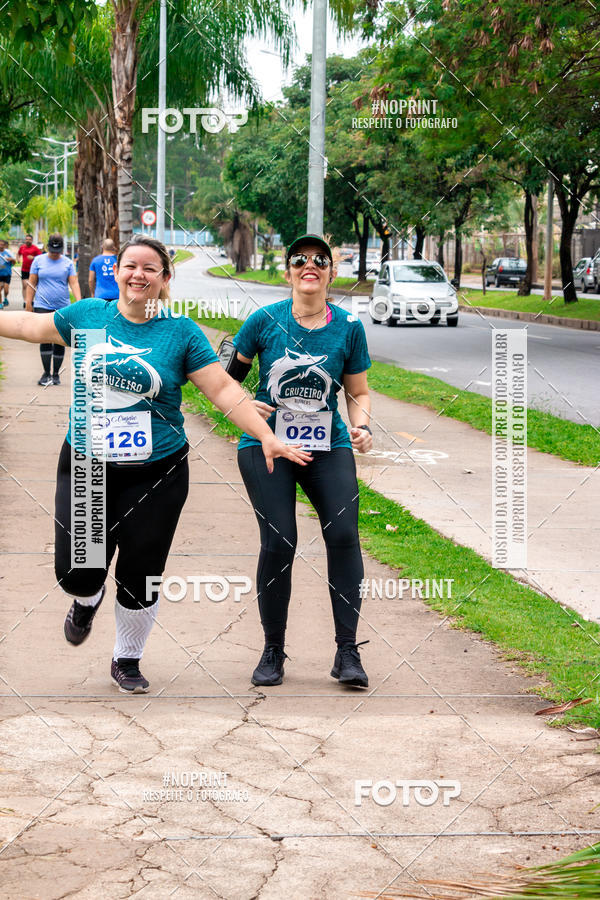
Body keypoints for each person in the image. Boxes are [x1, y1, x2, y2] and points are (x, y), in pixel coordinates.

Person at [0, 234, 311, 693]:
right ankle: (87, 596)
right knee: (76, 572)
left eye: (150, 268)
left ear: (165, 279)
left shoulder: (181, 331)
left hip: (158, 470)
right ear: (116, 271)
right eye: (130, 265)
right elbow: (30, 327)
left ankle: (127, 659)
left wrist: (266, 435)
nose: (138, 274)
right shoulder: (88, 316)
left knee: (141, 572)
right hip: (88, 464)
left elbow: (224, 390)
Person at [231, 234, 373, 688]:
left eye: (319, 260)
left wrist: (362, 425)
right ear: (288, 271)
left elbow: (359, 390)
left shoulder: (349, 326)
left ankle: (347, 652)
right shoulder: (263, 321)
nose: (309, 265)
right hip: (267, 445)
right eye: (299, 260)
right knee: (280, 541)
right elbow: (226, 381)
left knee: (345, 535)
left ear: (332, 272)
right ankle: (273, 649)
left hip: (327, 445)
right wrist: (243, 407)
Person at [25, 233, 81, 386]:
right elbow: (32, 282)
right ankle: (45, 373)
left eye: (58, 251)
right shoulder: (38, 260)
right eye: (53, 250)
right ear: (48, 246)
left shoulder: (68, 263)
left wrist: (79, 303)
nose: (55, 253)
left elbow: (74, 283)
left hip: (62, 306)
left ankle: (55, 374)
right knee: (44, 339)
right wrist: (28, 303)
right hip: (42, 305)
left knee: (59, 340)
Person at [17, 234, 42, 307]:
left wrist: (33, 257)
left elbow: (41, 258)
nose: (28, 240)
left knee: (31, 286)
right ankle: (25, 301)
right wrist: (18, 258)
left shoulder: (35, 248)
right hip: (24, 269)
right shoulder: (22, 247)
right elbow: (18, 254)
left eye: (29, 239)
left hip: (33, 271)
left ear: (32, 240)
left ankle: (31, 300)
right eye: (26, 239)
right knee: (25, 285)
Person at [0, 239, 16, 307]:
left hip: (7, 273)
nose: (1, 246)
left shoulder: (8, 252)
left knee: (6, 290)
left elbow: (14, 262)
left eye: (2, 244)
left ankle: (5, 298)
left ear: (4, 245)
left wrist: (11, 259)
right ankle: (0, 303)